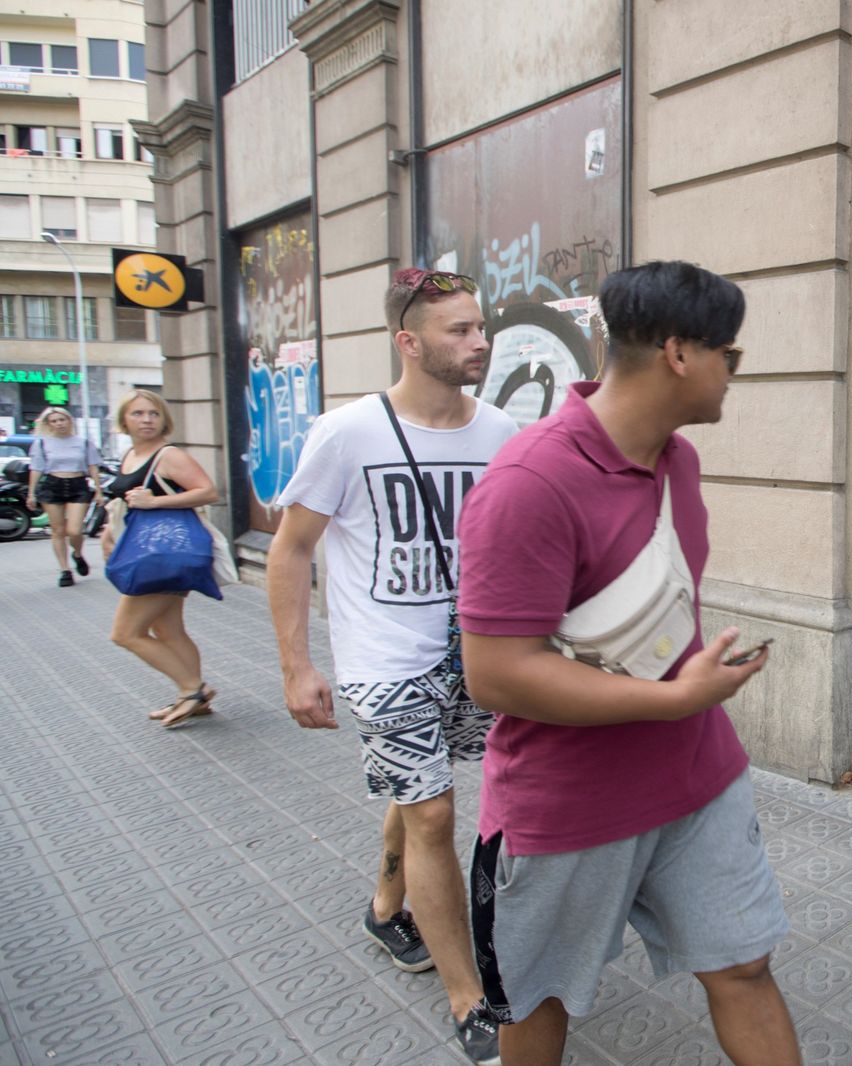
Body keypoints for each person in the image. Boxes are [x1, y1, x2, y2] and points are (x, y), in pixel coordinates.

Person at [457, 260, 799, 1066]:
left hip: (697, 783)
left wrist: (689, 698)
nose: (732, 376)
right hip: (569, 804)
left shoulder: (676, 460)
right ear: (679, 354)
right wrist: (676, 700)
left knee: (745, 965)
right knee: (538, 999)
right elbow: (497, 673)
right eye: (731, 357)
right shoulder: (529, 483)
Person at [266, 268, 516, 1065]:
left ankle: (384, 907)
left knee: (423, 792)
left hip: (472, 654)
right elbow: (291, 549)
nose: (478, 342)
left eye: (480, 327)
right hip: (384, 662)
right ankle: (467, 995)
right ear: (408, 341)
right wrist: (297, 666)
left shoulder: (503, 430)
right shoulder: (347, 433)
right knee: (437, 814)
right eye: (458, 330)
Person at [103, 389, 222, 727]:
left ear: (164, 420)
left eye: (153, 414)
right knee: (168, 630)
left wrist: (153, 502)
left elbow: (209, 491)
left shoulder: (168, 455)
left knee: (125, 633)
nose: (146, 420)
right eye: (138, 414)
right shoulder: (130, 454)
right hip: (152, 552)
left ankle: (193, 689)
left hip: (164, 554)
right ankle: (191, 697)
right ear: (124, 419)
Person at [27, 406, 104, 587]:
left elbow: (93, 466)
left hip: (78, 484)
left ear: (69, 421)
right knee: (58, 530)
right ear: (49, 424)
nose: (59, 424)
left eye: (62, 420)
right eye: (54, 421)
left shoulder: (84, 442)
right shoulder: (41, 443)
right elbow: (36, 468)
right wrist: (31, 493)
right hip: (52, 485)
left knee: (75, 530)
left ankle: (77, 554)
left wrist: (99, 490)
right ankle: (65, 570)